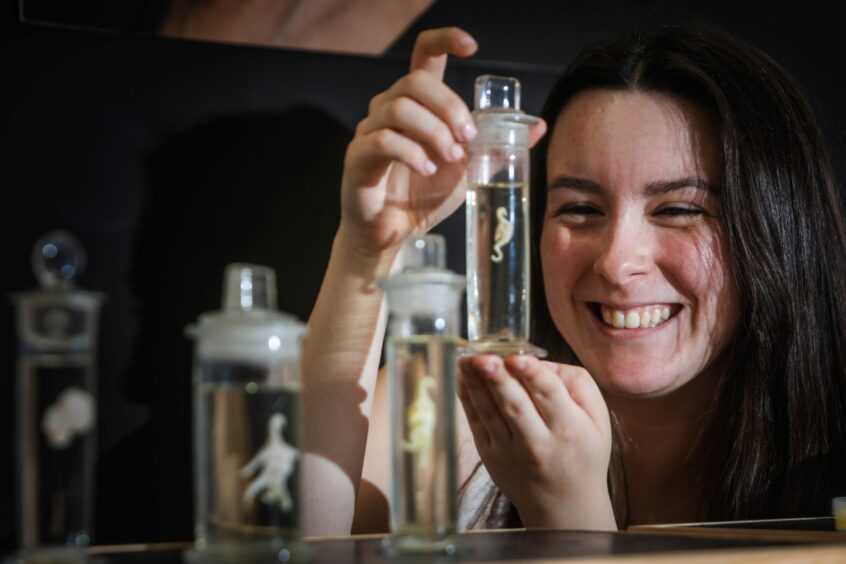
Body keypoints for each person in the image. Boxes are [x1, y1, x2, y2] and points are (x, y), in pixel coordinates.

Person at [299, 24, 846, 536]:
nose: (615, 261)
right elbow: (297, 537)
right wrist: (368, 246)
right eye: (581, 208)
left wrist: (566, 514)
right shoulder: (455, 407)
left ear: (777, 224)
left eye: (679, 209)